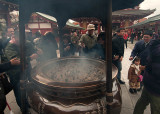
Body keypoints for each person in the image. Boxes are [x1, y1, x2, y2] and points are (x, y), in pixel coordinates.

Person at [4, 31, 38, 109]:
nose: (22, 43)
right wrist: (29, 58)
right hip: (15, 74)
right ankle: (23, 108)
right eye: (20, 41)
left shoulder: (25, 42)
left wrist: (36, 51)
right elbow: (16, 61)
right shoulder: (9, 47)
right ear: (14, 38)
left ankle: (27, 103)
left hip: (26, 70)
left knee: (27, 88)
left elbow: (31, 48)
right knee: (19, 92)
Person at [133, 38, 160, 114]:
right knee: (156, 109)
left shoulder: (155, 46)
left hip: (149, 82)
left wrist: (145, 68)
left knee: (142, 102)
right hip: (157, 88)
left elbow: (151, 65)